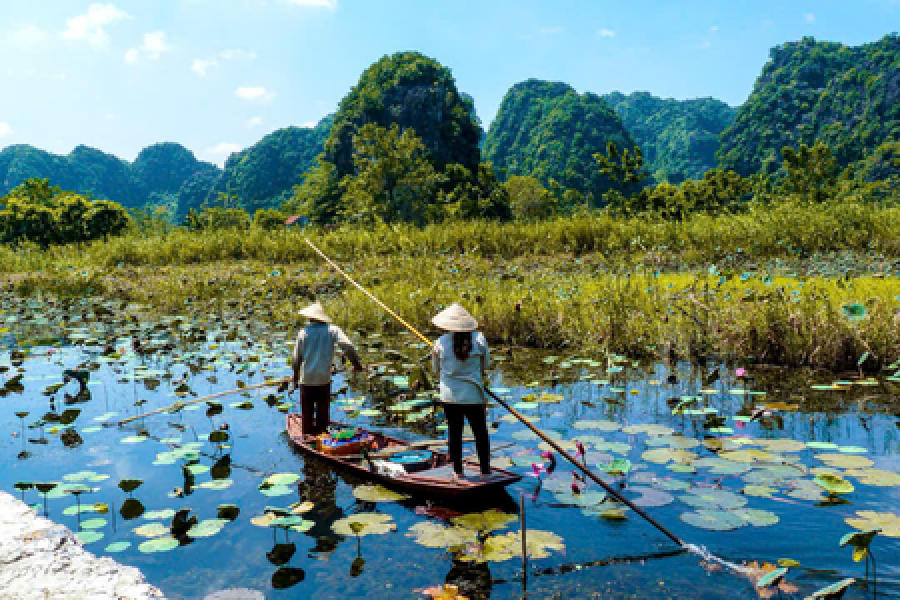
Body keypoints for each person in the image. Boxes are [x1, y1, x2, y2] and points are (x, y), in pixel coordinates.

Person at [431, 303, 492, 481]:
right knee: (480, 433)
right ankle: (485, 472)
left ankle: (458, 472)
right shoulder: (479, 339)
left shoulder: (441, 342)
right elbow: (486, 365)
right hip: (473, 394)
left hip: (450, 397)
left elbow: (435, 370)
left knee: (455, 433)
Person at [290, 302, 364, 438]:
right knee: (323, 416)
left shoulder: (303, 332)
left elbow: (296, 359)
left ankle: (307, 438)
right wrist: (356, 364)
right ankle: (323, 437)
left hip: (306, 380)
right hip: (323, 379)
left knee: (307, 415)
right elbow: (348, 346)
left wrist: (295, 378)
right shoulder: (332, 330)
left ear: (310, 318)